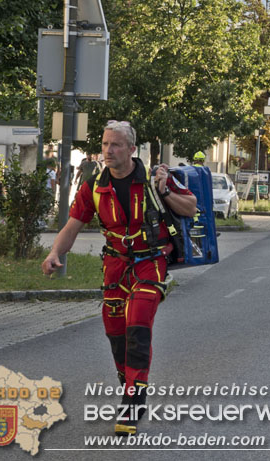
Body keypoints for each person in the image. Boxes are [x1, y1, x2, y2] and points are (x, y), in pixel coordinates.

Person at [41, 120, 197, 436]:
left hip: (150, 262)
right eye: (104, 144)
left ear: (130, 149)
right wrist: (55, 253)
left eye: (115, 145)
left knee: (138, 322)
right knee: (115, 332)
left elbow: (190, 207)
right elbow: (72, 226)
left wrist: (165, 190)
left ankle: (133, 398)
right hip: (115, 264)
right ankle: (129, 381)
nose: (108, 150)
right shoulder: (94, 187)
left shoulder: (155, 179)